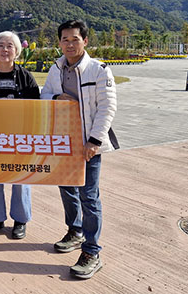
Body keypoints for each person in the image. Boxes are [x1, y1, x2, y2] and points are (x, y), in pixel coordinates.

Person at [41, 20, 118, 279]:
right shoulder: (56, 68)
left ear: (85, 41)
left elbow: (107, 107)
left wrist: (94, 141)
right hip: (64, 143)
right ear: (59, 42)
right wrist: (55, 98)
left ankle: (92, 252)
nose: (70, 44)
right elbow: (44, 96)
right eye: (65, 39)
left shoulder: (99, 70)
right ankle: (75, 231)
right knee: (67, 190)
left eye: (75, 39)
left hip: (88, 145)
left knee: (89, 197)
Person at [0, 31, 40, 239]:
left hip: (20, 137)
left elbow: (37, 108)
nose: (5, 50)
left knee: (20, 178)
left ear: (16, 51)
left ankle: (20, 219)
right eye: (1, 45)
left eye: (10, 46)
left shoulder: (26, 76)